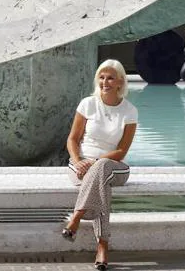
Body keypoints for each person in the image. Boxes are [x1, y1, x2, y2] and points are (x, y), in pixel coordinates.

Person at [62, 59, 138, 271]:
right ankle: (102, 247)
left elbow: (122, 151)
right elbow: (72, 139)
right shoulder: (88, 104)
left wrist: (95, 162)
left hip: (115, 166)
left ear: (120, 82)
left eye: (110, 77)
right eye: (102, 77)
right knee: (101, 186)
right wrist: (78, 161)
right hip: (81, 165)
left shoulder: (129, 111)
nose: (105, 82)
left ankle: (76, 217)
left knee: (102, 167)